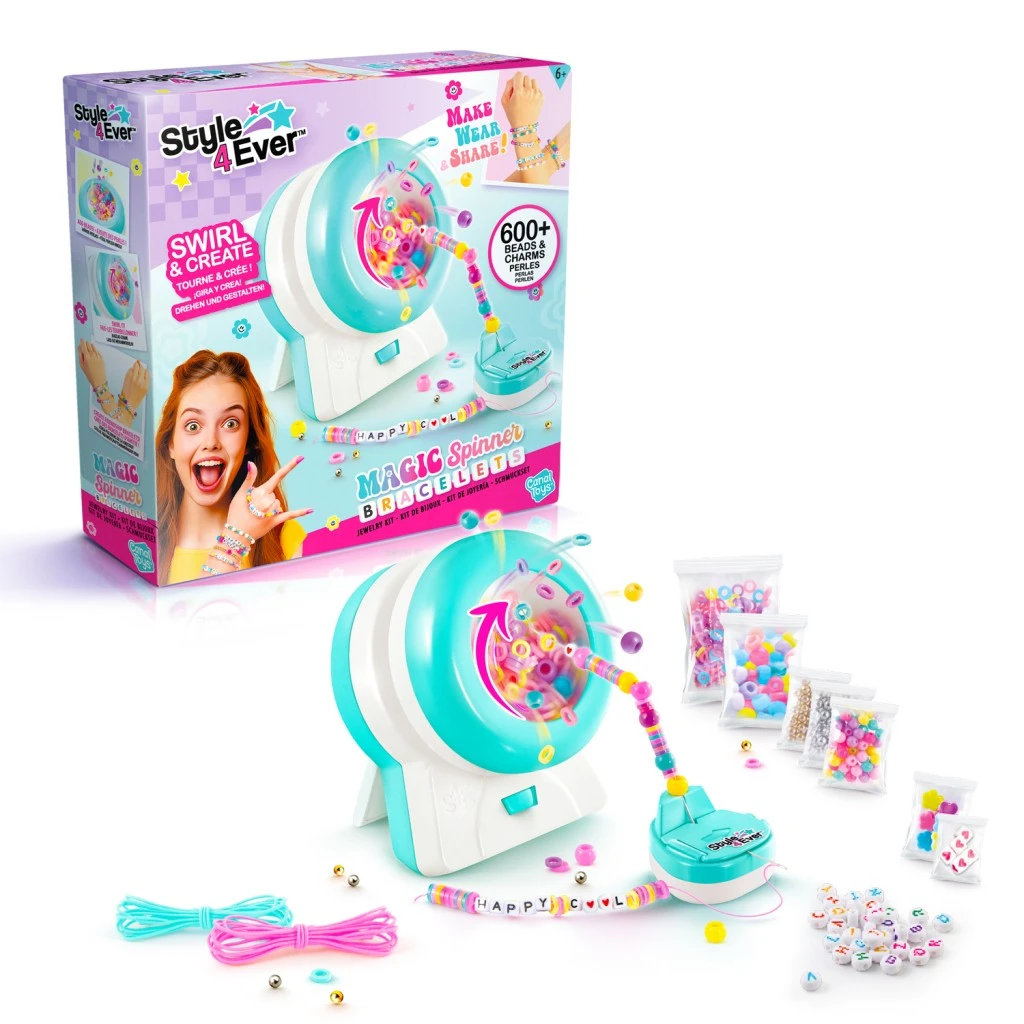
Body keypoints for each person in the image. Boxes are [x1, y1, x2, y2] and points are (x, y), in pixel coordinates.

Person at [154, 350, 312, 584]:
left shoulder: (284, 538)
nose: (211, 442)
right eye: (193, 426)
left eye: (230, 423)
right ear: (171, 444)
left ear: (249, 441)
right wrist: (234, 542)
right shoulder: (144, 544)